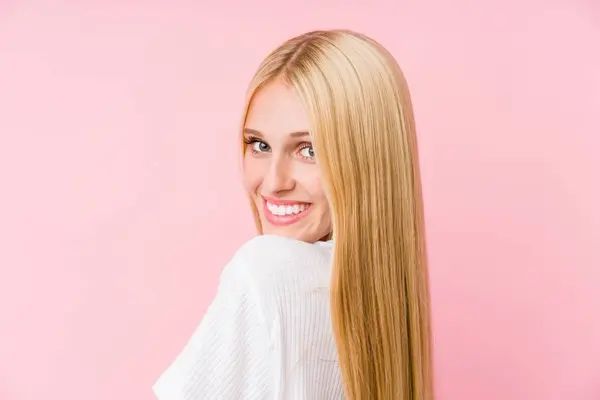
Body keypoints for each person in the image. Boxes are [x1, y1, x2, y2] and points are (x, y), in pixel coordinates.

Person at [153, 29, 434, 400]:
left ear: (369, 161)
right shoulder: (388, 305)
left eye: (309, 150)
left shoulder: (265, 271)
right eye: (260, 145)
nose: (273, 182)